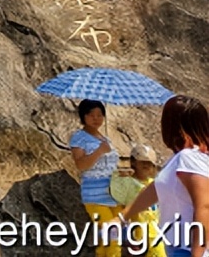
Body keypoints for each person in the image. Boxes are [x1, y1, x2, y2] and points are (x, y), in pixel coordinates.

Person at [125, 95, 209, 257]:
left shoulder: (189, 158)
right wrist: (123, 217)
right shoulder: (188, 158)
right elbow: (155, 189)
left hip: (188, 249)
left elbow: (204, 206)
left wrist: (197, 253)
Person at [71, 98, 124, 257]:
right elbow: (81, 165)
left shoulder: (105, 139)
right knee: (113, 234)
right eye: (91, 115)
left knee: (112, 235)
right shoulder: (79, 137)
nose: (96, 119)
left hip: (113, 193)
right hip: (94, 195)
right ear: (83, 116)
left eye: (100, 115)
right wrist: (99, 151)